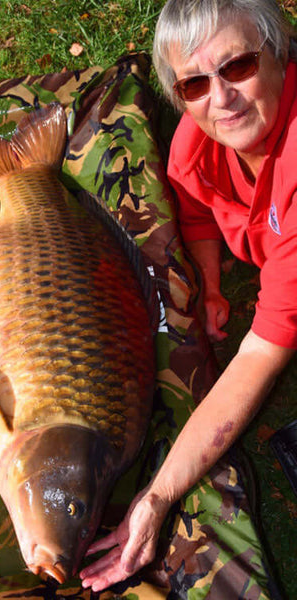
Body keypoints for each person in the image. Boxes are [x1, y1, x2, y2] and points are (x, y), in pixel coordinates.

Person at [80, 0, 297, 592]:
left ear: (281, 56)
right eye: (195, 82)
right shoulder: (196, 143)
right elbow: (197, 205)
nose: (220, 98)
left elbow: (258, 356)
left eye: (240, 66)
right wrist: (206, 275)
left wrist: (157, 496)